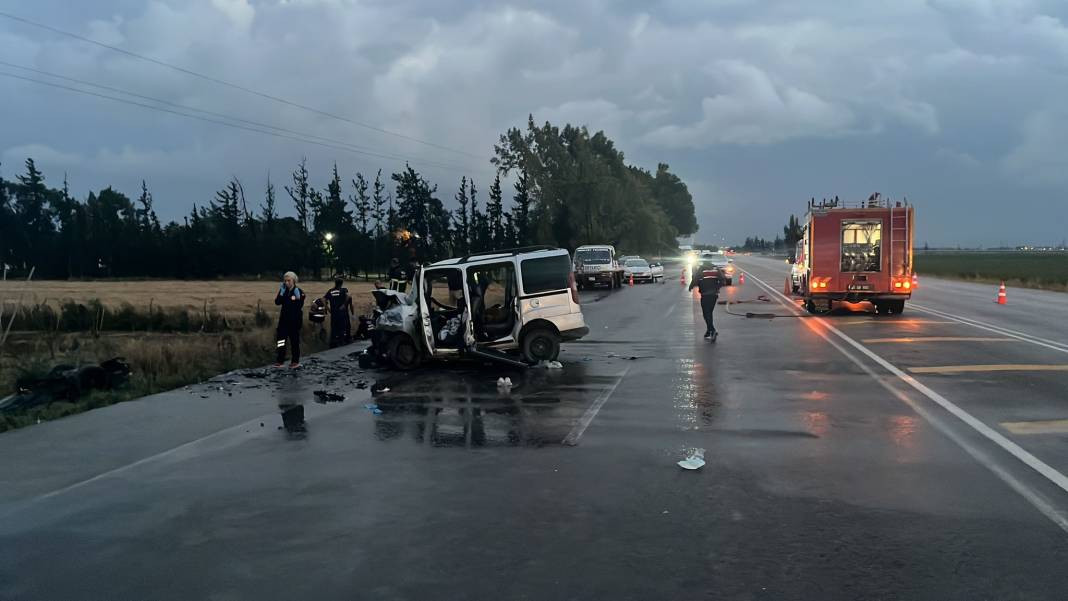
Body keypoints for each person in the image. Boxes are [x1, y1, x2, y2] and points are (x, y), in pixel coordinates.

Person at [688, 260, 726, 341]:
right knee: (709, 313)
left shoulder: (701, 269)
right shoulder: (716, 268)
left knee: (706, 313)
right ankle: (709, 331)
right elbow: (723, 280)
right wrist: (717, 287)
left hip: (705, 294)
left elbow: (695, 279)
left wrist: (691, 287)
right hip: (714, 295)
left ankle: (712, 330)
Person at [274, 271, 305, 367]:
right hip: (283, 321)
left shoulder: (298, 291)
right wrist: (281, 294)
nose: (287, 283)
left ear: (294, 281)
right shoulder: (283, 291)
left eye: (289, 281)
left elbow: (299, 305)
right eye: (285, 281)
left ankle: (295, 361)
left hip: (294, 321)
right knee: (281, 341)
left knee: (294, 341)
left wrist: (297, 298)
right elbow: (277, 302)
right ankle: (280, 360)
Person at [322, 274, 354, 348]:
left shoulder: (330, 291)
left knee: (334, 328)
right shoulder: (343, 290)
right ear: (341, 284)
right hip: (342, 313)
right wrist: (344, 304)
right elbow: (349, 296)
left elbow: (323, 299)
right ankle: (343, 342)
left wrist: (327, 308)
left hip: (334, 313)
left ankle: (333, 343)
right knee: (343, 327)